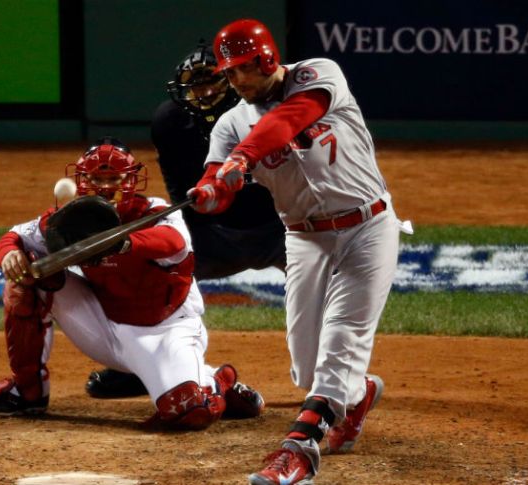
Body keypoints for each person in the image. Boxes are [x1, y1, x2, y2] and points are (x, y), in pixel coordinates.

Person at [188, 19, 408, 485]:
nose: (239, 81)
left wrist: (242, 160)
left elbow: (288, 118)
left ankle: (299, 452)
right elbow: (217, 184)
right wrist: (210, 191)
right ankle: (357, 392)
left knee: (342, 340)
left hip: (367, 228)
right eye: (230, 74)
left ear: (267, 58)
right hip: (304, 239)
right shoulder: (230, 124)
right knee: (308, 365)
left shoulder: (317, 74)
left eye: (246, 69)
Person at [0, 137, 265, 431]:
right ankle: (27, 391)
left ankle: (217, 382)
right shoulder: (75, 219)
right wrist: (9, 253)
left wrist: (124, 243)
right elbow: (15, 237)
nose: (105, 186)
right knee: (28, 278)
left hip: (166, 333)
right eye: (96, 178)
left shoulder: (155, 212)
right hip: (104, 324)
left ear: (130, 180)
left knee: (189, 411)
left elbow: (173, 243)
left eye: (113, 178)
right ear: (82, 180)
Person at [84, 41, 287, 400]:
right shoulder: (170, 122)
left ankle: (332, 373)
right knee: (136, 263)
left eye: (212, 81)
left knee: (328, 275)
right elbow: (180, 191)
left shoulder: (267, 111)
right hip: (211, 233)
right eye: (196, 85)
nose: (205, 91)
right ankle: (140, 366)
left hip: (280, 228)